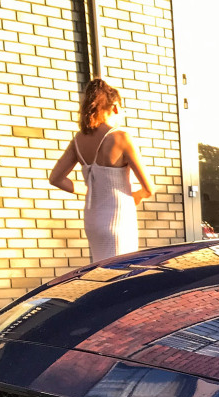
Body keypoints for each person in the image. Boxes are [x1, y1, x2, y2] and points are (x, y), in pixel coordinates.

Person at [49, 78, 154, 262]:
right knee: (122, 276)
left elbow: (56, 178)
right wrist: (138, 195)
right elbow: (149, 188)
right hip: (118, 221)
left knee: (102, 272)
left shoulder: (78, 141)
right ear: (114, 107)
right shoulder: (122, 138)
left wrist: (90, 190)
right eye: (122, 109)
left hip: (93, 221)